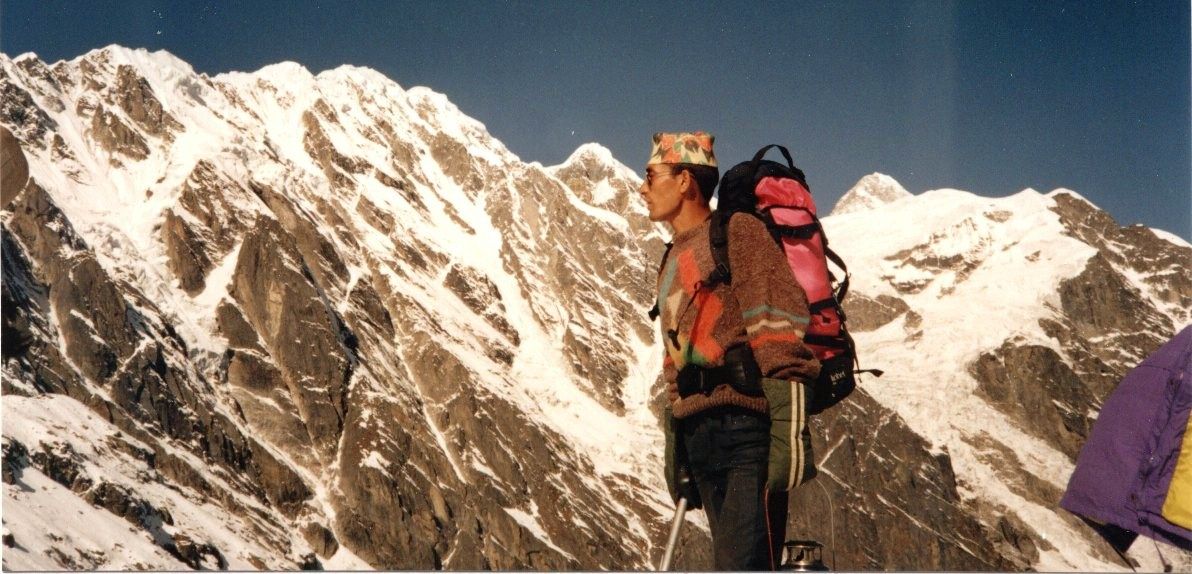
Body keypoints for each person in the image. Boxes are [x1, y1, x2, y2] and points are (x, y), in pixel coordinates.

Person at [641, 131, 820, 570]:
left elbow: (778, 325)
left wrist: (787, 441)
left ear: (685, 180)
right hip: (701, 438)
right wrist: (678, 448)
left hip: (746, 435)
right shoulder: (670, 258)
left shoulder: (737, 233)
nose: (642, 188)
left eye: (651, 175)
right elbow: (674, 358)